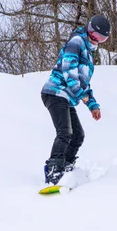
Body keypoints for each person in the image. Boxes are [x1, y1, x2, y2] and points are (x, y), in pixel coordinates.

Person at [41, 14, 111, 185]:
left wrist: (92, 105)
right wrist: (83, 96)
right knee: (65, 133)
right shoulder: (76, 43)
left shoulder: (88, 53)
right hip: (55, 92)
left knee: (78, 135)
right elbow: (69, 74)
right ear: (88, 30)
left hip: (66, 97)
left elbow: (84, 83)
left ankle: (66, 167)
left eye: (102, 38)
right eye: (94, 35)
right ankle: (53, 171)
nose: (96, 40)